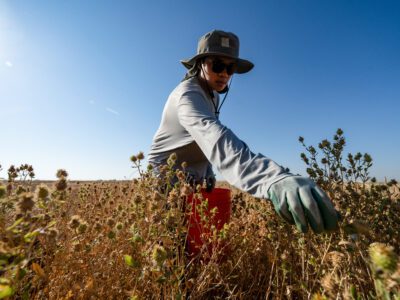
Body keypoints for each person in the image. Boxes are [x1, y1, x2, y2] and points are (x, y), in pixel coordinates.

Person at [148, 30, 339, 233]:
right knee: (170, 241)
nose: (225, 73)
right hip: (166, 176)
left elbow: (200, 141)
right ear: (201, 64)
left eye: (231, 68)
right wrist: (272, 178)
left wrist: (208, 171)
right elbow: (213, 136)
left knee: (195, 240)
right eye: (218, 65)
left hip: (193, 176)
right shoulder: (187, 95)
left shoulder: (213, 95)